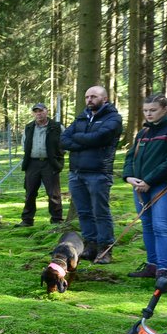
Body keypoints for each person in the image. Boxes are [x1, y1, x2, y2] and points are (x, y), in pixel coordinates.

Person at [122, 93, 167, 292]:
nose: (148, 114)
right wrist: (128, 177)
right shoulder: (143, 132)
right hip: (140, 186)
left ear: (165, 109)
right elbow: (130, 156)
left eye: (153, 110)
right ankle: (151, 266)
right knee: (147, 224)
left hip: (163, 186)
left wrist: (149, 181)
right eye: (145, 110)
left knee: (161, 226)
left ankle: (163, 271)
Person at [61, 85, 123, 264]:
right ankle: (90, 245)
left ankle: (106, 249)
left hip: (98, 173)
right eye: (87, 97)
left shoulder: (114, 118)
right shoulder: (82, 117)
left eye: (93, 97)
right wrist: (87, 140)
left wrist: (79, 138)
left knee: (100, 212)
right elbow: (64, 140)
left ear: (104, 99)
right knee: (84, 212)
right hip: (76, 173)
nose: (89, 100)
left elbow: (100, 138)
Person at [19, 103, 64, 227]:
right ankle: (27, 220)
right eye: (36, 111)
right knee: (30, 192)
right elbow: (24, 144)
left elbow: (64, 144)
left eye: (41, 111)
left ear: (47, 111)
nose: (38, 113)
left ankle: (57, 219)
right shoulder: (28, 127)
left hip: (50, 163)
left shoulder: (57, 127)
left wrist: (58, 158)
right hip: (32, 163)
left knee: (53, 193)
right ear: (33, 113)